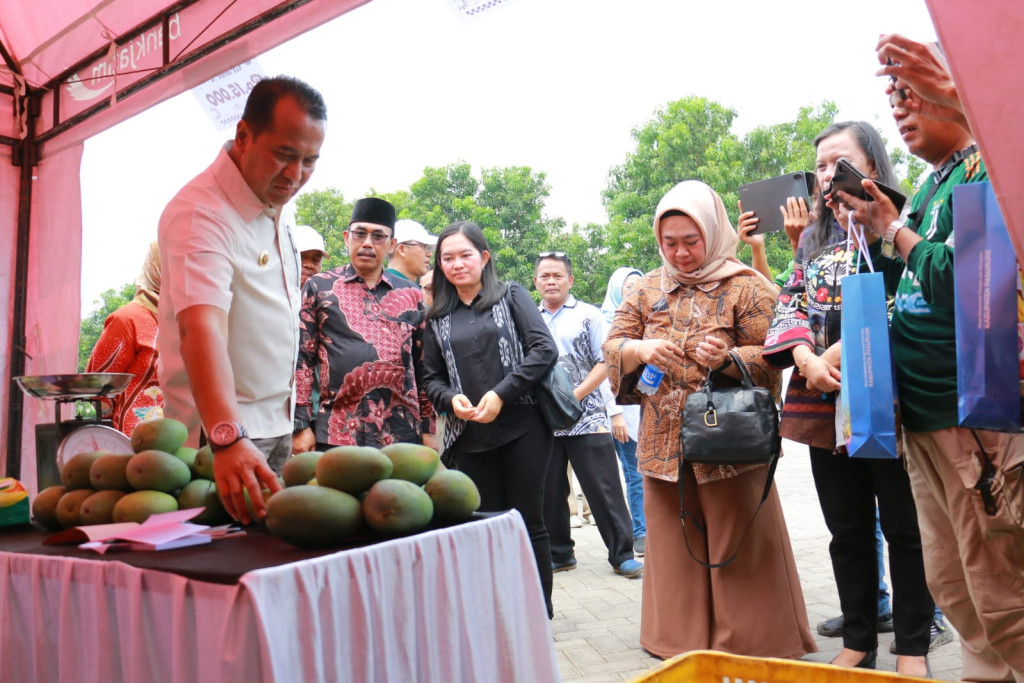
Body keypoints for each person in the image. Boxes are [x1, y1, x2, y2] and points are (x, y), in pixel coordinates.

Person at [837, 47, 1024, 678]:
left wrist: (896, 232)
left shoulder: (989, 170)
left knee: (1000, 587)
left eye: (912, 92)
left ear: (957, 87)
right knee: (952, 582)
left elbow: (974, 287)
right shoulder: (932, 182)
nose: (900, 108)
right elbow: (912, 284)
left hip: (970, 417)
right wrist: (874, 231)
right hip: (920, 421)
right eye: (892, 98)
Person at [603, 179, 815, 659]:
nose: (679, 253)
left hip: (730, 441)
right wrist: (639, 348)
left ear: (714, 232)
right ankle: (677, 640)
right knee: (675, 541)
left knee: (737, 535)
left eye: (691, 241)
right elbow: (613, 344)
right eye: (669, 242)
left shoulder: (747, 285)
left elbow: (777, 353)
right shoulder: (644, 288)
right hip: (663, 440)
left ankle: (753, 641)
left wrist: (725, 359)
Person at [762, 120, 933, 676]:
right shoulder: (813, 239)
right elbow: (790, 302)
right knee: (847, 529)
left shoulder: (902, 223)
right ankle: (859, 637)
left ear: (873, 166)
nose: (828, 177)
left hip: (893, 405)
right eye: (820, 168)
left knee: (905, 530)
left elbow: (911, 302)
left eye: (839, 163)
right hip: (823, 406)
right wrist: (806, 358)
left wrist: (832, 353)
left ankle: (912, 647)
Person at [157, 75, 326, 523]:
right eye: (284, 155)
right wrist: (227, 438)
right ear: (244, 135)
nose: (295, 176)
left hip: (275, 427)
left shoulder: (275, 210)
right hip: (216, 441)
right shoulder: (202, 214)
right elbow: (200, 327)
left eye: (309, 161)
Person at [421, 221, 558, 618]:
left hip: (524, 426)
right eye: (448, 257)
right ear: (440, 265)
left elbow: (542, 349)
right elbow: (430, 377)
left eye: (465, 255)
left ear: (484, 258)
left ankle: (537, 615)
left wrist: (501, 393)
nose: (457, 264)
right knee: (488, 525)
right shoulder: (437, 317)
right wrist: (451, 399)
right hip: (471, 437)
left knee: (529, 521)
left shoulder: (511, 295)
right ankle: (501, 615)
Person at [292, 198, 433, 451]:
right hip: (336, 433)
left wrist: (429, 429)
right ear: (347, 238)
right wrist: (301, 426)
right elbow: (302, 359)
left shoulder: (412, 295)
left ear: (391, 245)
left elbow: (425, 366)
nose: (367, 243)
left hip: (402, 435)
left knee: (399, 493)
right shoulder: (319, 287)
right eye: (360, 234)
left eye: (378, 236)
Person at [535, 253, 642, 579]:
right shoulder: (528, 317)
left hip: (589, 416)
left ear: (570, 280)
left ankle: (622, 554)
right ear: (536, 281)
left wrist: (580, 398)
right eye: (544, 276)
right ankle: (560, 553)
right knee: (550, 491)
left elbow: (605, 362)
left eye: (557, 276)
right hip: (544, 422)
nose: (550, 281)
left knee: (604, 487)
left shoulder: (589, 315)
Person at [86, 241, 164, 436]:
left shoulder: (200, 320)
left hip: (193, 443)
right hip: (136, 446)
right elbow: (98, 387)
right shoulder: (127, 320)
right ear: (156, 266)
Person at [600, 267, 646, 556]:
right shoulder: (606, 323)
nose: (634, 290)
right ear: (617, 289)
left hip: (647, 409)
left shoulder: (648, 317)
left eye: (639, 285)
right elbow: (605, 372)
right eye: (628, 286)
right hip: (622, 413)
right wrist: (615, 413)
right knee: (634, 473)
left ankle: (652, 527)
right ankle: (640, 532)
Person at [386, 219, 436, 284]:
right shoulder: (385, 288)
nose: (429, 254)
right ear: (402, 250)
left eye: (429, 248)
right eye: (424, 247)